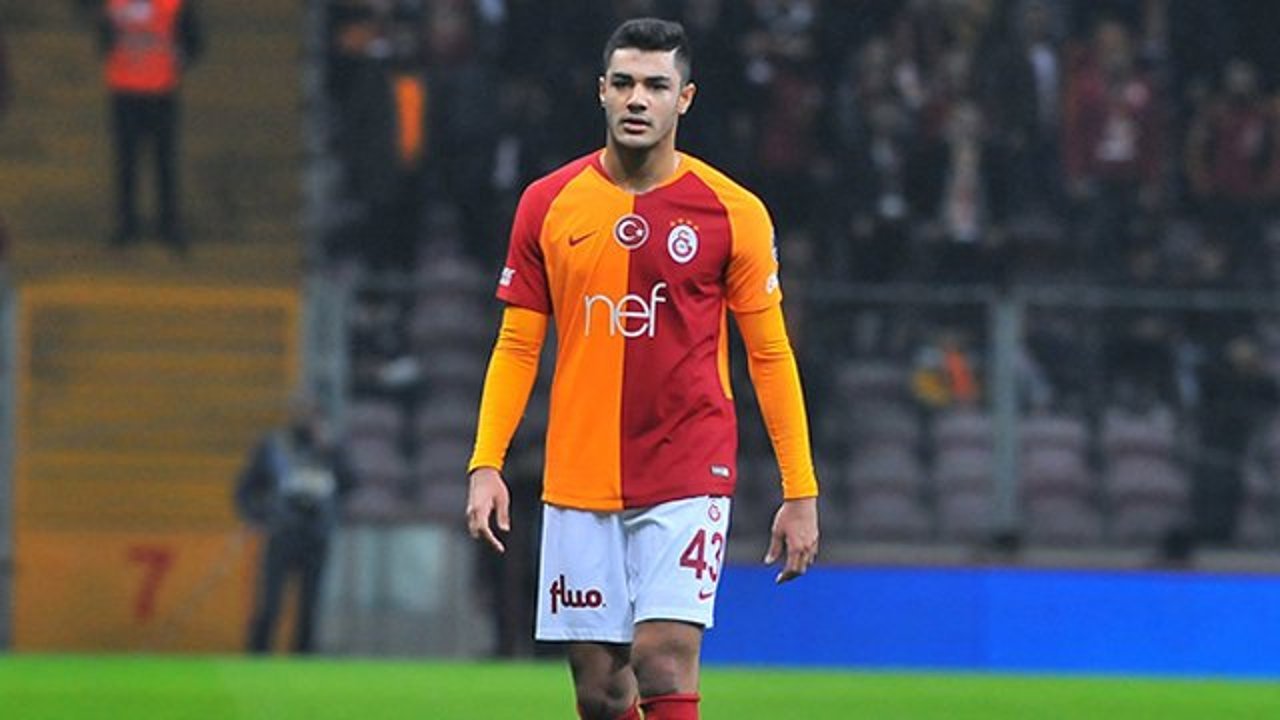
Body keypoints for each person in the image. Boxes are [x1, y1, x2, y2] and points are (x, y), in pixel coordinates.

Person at [464, 18, 819, 720]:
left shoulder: (733, 213)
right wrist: (486, 463)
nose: (637, 98)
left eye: (656, 85)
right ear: (601, 91)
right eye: (624, 83)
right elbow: (518, 346)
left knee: (662, 657)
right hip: (580, 470)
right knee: (600, 691)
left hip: (687, 465)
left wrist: (799, 488)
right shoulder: (546, 204)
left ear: (684, 99)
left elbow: (770, 355)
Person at [235, 394, 356, 654]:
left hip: (316, 533)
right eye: (300, 411)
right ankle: (258, 655)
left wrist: (330, 451)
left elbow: (350, 482)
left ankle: (303, 656)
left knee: (310, 604)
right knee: (270, 601)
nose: (305, 418)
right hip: (282, 531)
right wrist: (258, 515)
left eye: (310, 412)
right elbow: (246, 488)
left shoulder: (331, 446)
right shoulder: (274, 447)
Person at [98, 0, 203, 251]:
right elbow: (103, 39)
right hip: (128, 91)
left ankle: (163, 223)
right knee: (130, 163)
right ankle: (132, 223)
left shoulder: (171, 4)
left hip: (158, 91)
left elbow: (194, 42)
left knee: (161, 162)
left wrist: (176, 59)